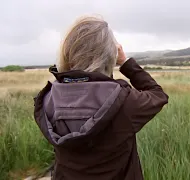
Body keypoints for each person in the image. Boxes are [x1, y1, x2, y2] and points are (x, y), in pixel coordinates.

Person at [33, 16, 169, 180]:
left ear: (67, 51)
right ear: (109, 54)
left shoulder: (48, 99)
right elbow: (157, 94)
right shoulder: (124, 101)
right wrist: (125, 62)